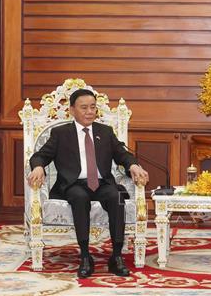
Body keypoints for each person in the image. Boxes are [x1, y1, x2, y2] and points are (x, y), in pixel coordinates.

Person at [27, 89, 149, 279]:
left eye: (93, 107)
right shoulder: (61, 133)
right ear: (72, 110)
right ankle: (85, 256)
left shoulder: (105, 132)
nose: (90, 112)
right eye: (84, 108)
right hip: (73, 184)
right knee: (79, 197)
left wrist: (133, 165)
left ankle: (116, 256)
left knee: (116, 197)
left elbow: (122, 154)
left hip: (101, 183)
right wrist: (38, 167)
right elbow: (40, 156)